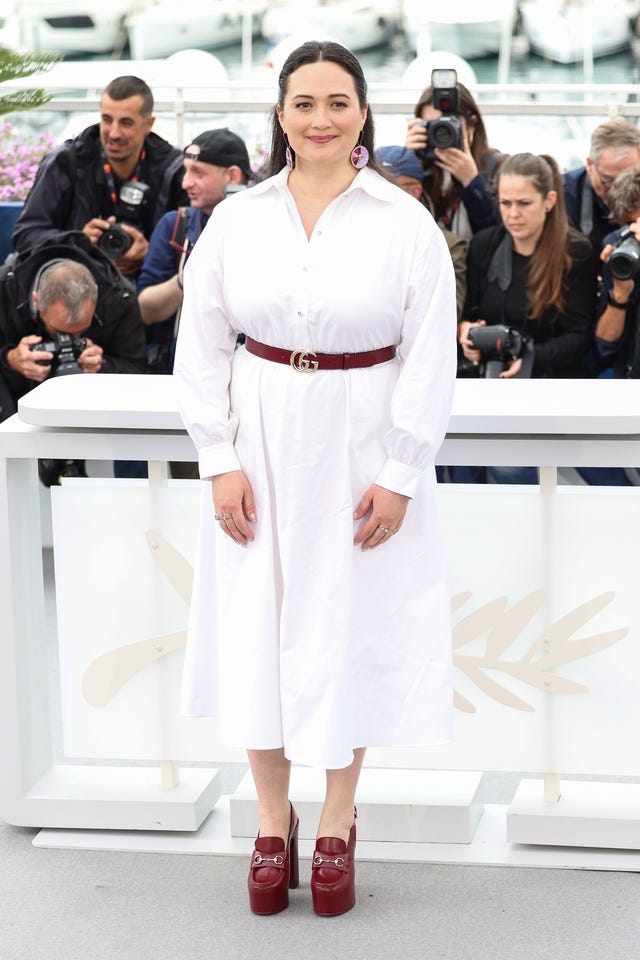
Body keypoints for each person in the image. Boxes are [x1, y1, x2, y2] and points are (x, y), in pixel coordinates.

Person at [173, 40, 456, 917]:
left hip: (361, 437)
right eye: (304, 103)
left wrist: (401, 471)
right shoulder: (239, 219)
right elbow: (201, 345)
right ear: (281, 113)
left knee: (347, 625)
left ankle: (337, 818)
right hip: (258, 439)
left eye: (338, 102)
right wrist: (218, 458)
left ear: (363, 112)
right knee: (257, 622)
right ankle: (272, 820)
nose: (321, 119)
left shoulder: (404, 223)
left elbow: (429, 357)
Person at [457, 152, 595, 484]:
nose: (513, 214)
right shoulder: (485, 244)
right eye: (505, 203)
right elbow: (470, 313)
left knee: (509, 469)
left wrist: (531, 357)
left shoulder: (575, 252)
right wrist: (467, 332)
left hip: (549, 387)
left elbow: (578, 337)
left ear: (549, 201)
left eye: (524, 203)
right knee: (460, 460)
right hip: (486, 384)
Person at [0, 231, 147, 484]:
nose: (68, 340)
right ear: (36, 300)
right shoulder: (5, 290)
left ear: (96, 294)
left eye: (81, 332)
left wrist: (103, 366)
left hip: (94, 429)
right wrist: (10, 359)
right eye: (59, 332)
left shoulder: (119, 298)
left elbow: (141, 375)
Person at [12, 75, 188, 278]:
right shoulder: (66, 162)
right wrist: (79, 242)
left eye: (126, 123)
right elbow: (26, 235)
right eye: (107, 120)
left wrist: (152, 253)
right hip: (77, 283)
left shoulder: (175, 171)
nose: (114, 133)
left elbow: (196, 243)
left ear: (149, 124)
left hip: (150, 284)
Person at [137, 128, 252, 372]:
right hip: (184, 369)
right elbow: (145, 310)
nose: (185, 182)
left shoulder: (266, 226)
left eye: (198, 173)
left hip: (250, 370)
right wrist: (188, 276)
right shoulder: (175, 225)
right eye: (185, 170)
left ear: (232, 176)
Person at [375, 144, 467, 321]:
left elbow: (449, 312)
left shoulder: (447, 245)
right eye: (375, 184)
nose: (380, 194)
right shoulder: (350, 235)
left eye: (391, 186)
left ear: (416, 190)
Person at [405, 78, 502, 240]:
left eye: (450, 124)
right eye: (433, 126)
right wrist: (405, 162)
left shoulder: (497, 168)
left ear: (472, 123)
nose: (442, 133)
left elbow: (497, 238)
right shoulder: (419, 167)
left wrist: (473, 183)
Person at [564, 117, 640, 273]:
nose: (620, 188)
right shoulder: (563, 196)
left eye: (631, 177)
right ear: (589, 165)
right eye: (609, 180)